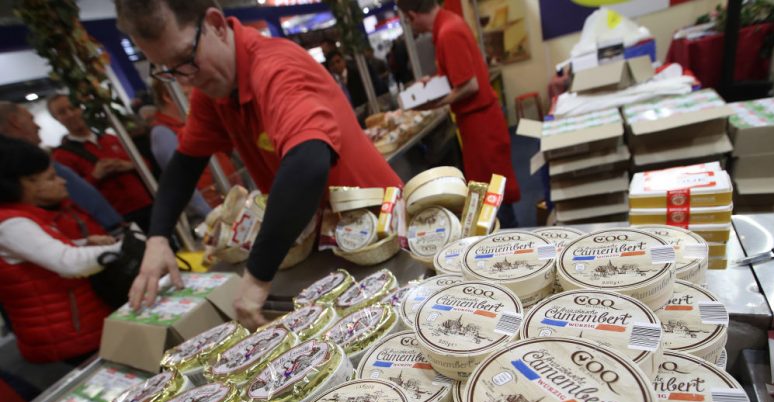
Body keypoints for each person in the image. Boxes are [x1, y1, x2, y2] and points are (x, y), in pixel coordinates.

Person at [114, 0, 402, 330]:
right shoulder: (213, 92)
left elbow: (308, 164)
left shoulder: (277, 68)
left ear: (216, 25)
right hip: (328, 246)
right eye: (168, 69)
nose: (186, 80)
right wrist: (158, 238)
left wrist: (256, 277)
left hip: (382, 235)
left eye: (185, 60)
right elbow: (185, 164)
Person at [397, 0, 521, 227]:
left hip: (480, 124)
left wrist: (435, 103)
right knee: (491, 192)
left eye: (406, 20)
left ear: (413, 15)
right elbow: (460, 77)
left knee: (493, 197)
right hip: (477, 122)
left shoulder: (448, 32)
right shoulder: (449, 25)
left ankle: (512, 242)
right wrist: (434, 83)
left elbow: (470, 85)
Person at [0, 138, 119, 364]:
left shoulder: (22, 216)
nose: (62, 181)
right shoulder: (11, 224)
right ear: (24, 183)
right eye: (51, 177)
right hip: (68, 332)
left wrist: (84, 244)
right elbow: (70, 263)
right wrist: (122, 248)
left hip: (74, 325)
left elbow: (39, 255)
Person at [0, 101, 123, 231]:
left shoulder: (34, 160)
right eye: (31, 119)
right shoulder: (24, 166)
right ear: (15, 122)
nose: (38, 126)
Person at [47, 94, 154, 232]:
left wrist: (128, 165)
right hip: (118, 218)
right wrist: (95, 176)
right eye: (62, 112)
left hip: (147, 205)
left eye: (73, 108)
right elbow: (71, 194)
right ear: (57, 119)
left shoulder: (110, 138)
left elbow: (146, 165)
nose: (71, 114)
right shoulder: (62, 156)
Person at [150, 79, 234, 219]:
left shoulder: (195, 119)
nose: (194, 89)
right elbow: (181, 180)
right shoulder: (162, 132)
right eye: (186, 85)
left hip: (231, 196)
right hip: (215, 209)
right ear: (168, 95)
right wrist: (211, 216)